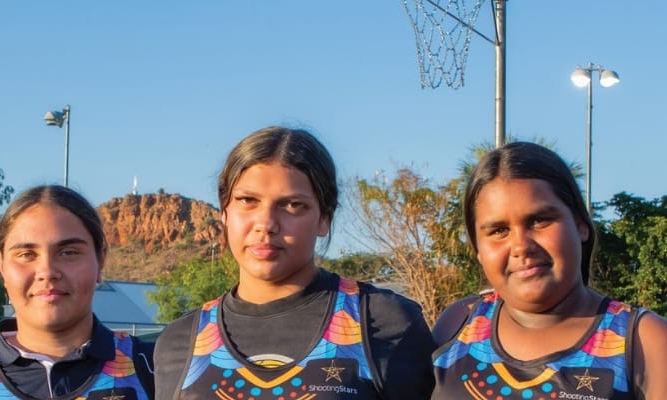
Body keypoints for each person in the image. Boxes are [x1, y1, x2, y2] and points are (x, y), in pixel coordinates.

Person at [154, 126, 436, 399]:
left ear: (324, 218)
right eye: (247, 200)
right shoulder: (182, 341)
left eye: (292, 205)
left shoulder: (380, 322)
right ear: (224, 212)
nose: (266, 224)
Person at [431, 142, 667, 399]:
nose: (521, 246)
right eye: (499, 230)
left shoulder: (644, 341)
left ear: (580, 225)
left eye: (539, 220)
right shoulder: (457, 325)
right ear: (478, 249)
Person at [0, 185, 155, 399]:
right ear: (1, 265)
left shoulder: (155, 369)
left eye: (68, 252)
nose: (47, 272)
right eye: (26, 254)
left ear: (100, 260)